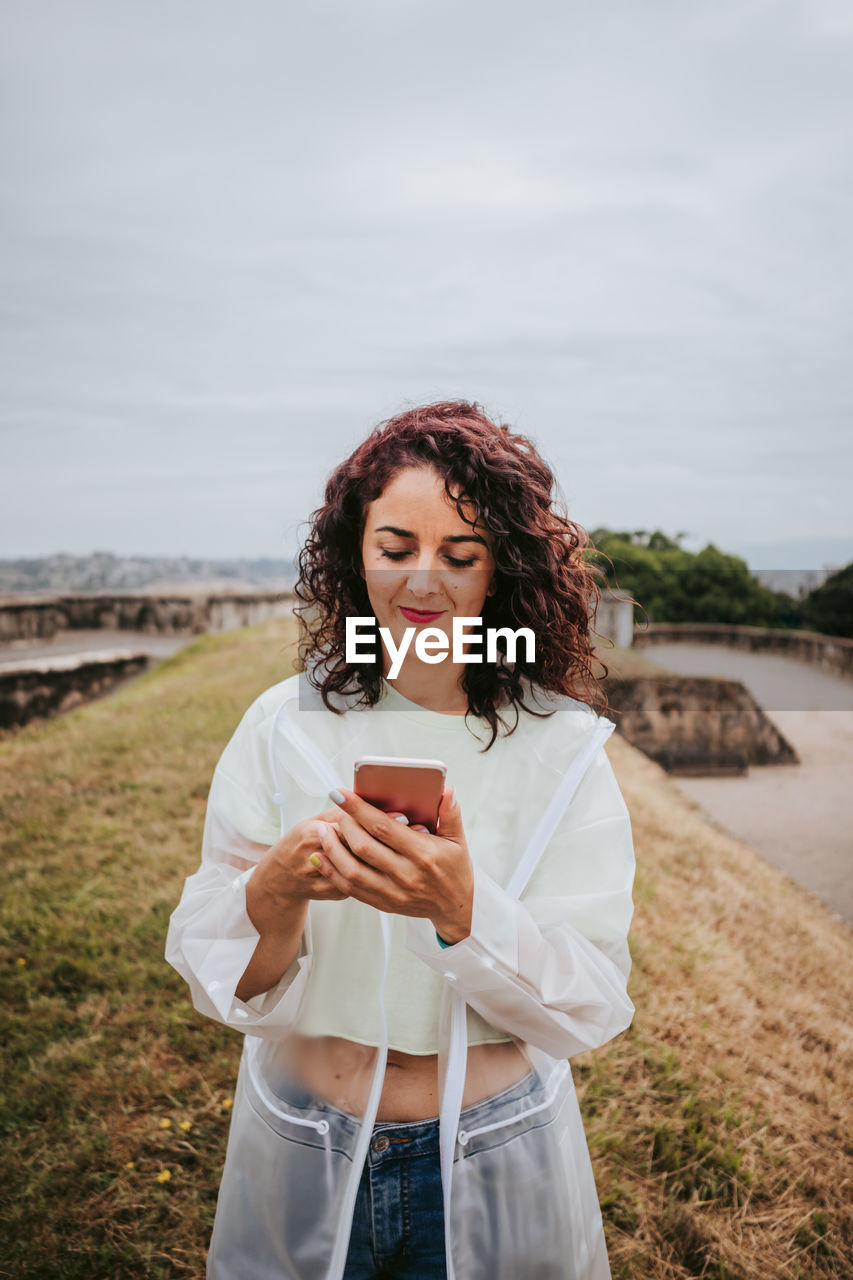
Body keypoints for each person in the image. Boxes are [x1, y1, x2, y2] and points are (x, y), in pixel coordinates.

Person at [166, 400, 636, 1280]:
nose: (423, 579)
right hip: (303, 1144)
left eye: (460, 556)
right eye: (394, 549)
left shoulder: (566, 751)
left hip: (493, 1162)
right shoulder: (283, 725)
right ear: (355, 554)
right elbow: (213, 969)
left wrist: (461, 912)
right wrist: (271, 894)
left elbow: (589, 1004)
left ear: (503, 572)